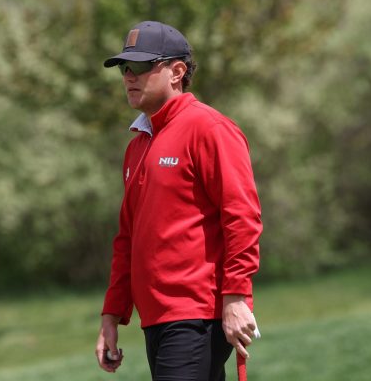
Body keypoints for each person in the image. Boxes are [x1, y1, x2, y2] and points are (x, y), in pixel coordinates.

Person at [94, 21, 262, 381]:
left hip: (197, 315)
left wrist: (236, 297)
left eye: (139, 66)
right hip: (156, 320)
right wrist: (112, 315)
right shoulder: (137, 144)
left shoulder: (210, 129)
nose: (128, 76)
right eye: (124, 68)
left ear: (177, 71)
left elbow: (242, 218)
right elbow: (128, 238)